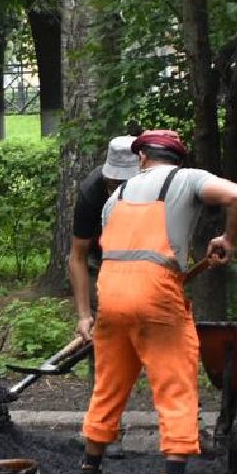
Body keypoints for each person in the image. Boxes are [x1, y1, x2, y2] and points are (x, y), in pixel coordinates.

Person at [75, 129, 237, 474]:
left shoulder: (114, 198)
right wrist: (229, 238)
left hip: (111, 295)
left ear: (142, 159)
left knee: (108, 386)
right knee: (175, 384)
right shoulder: (185, 178)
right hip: (157, 296)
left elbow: (114, 251)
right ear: (177, 158)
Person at [67, 135, 140, 342]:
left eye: (123, 184)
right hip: (98, 258)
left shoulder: (157, 189)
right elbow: (77, 256)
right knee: (102, 328)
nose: (116, 190)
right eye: (112, 184)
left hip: (140, 260)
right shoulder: (91, 192)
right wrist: (84, 315)